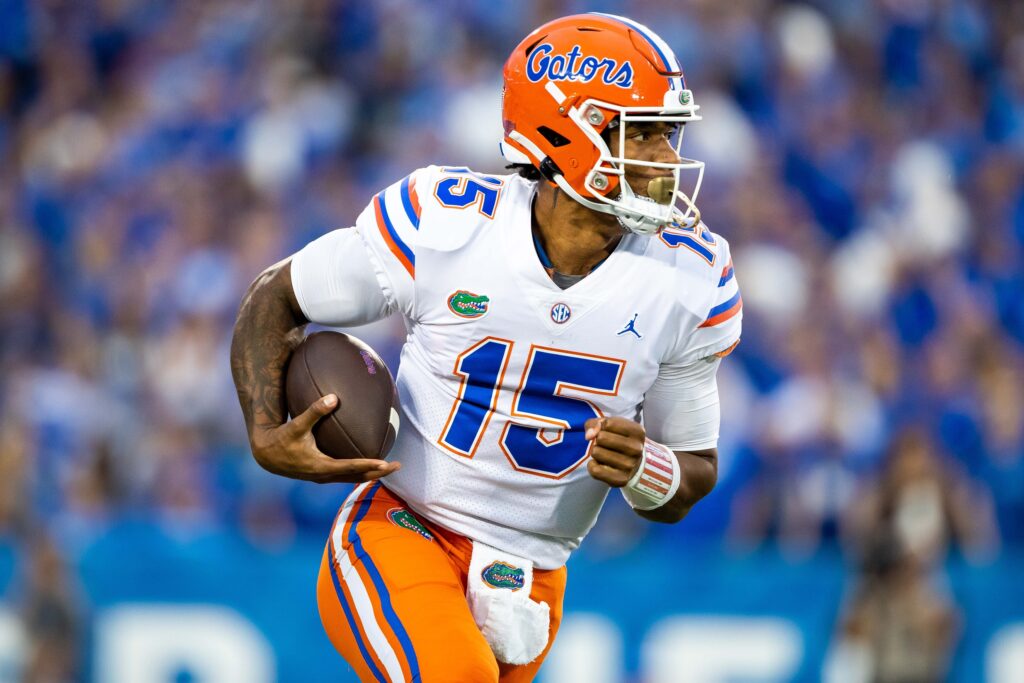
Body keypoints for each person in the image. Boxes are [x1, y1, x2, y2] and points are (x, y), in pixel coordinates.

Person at [231, 13, 742, 682]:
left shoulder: (688, 277)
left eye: (668, 135)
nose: (666, 159)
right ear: (564, 131)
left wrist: (647, 469)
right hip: (403, 527)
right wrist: (264, 425)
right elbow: (279, 294)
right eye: (641, 132)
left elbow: (692, 470)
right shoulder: (448, 225)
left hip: (533, 578)